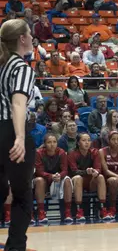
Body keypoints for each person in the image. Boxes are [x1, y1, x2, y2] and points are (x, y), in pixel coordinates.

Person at [0, 19, 36, 248]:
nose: (32, 37)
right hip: (10, 131)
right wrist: (20, 138)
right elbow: (18, 104)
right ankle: (15, 246)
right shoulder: (21, 67)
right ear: (22, 39)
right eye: (29, 33)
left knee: (1, 189)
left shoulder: (1, 65)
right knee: (23, 196)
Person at [68, 133, 107, 221]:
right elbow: (74, 171)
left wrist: (95, 172)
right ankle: (79, 210)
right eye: (84, 140)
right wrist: (86, 171)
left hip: (90, 181)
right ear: (78, 143)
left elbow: (98, 168)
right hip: (77, 181)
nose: (87, 143)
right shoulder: (72, 153)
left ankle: (102, 209)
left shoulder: (95, 152)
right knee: (78, 178)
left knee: (100, 177)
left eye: (89, 140)